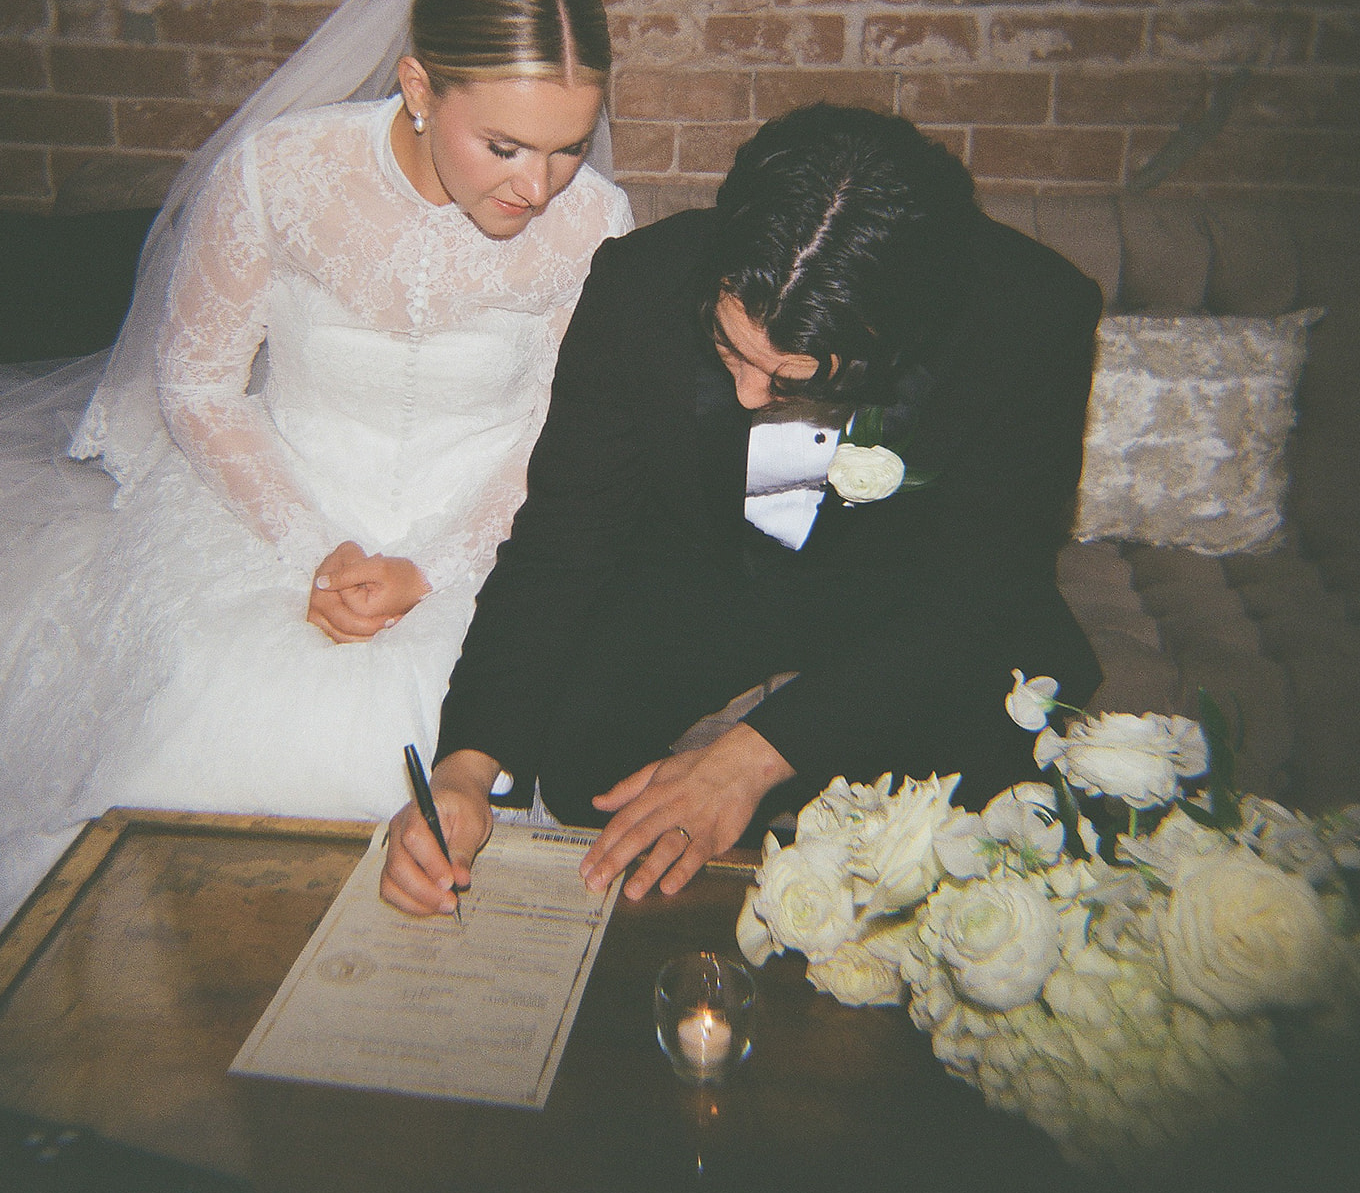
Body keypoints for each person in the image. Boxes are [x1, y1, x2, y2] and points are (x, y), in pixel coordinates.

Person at [0, 0, 631, 1138]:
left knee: (476, 722)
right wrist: (317, 552)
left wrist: (429, 565)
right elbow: (194, 386)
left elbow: (557, 433)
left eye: (562, 148)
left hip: (480, 530)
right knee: (222, 691)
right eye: (503, 144)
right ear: (415, 86)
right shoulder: (281, 172)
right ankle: (157, 1087)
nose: (535, 185)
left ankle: (405, 1115)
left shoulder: (592, 220)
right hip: (271, 496)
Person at [381, 104, 1103, 919]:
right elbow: (562, 541)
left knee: (986, 826)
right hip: (706, 568)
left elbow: (979, 590)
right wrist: (465, 771)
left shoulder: (1033, 316)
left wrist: (752, 758)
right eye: (728, 350)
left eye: (793, 380)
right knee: (589, 778)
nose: (750, 396)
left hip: (913, 593)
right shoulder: (640, 283)